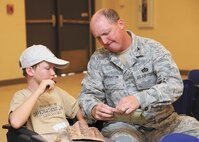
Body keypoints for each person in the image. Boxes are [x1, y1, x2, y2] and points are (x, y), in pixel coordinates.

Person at [78, 8, 199, 142]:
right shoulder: (98, 59)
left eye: (106, 33)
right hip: (123, 127)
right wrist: (94, 108)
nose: (104, 41)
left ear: (121, 24)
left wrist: (140, 99)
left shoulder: (152, 49)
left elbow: (174, 84)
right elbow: (87, 95)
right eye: (99, 37)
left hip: (165, 123)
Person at [9, 45, 86, 141]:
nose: (53, 72)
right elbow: (15, 122)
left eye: (53, 68)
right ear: (30, 71)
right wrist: (38, 92)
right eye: (47, 68)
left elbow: (75, 108)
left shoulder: (56, 91)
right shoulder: (21, 95)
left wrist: (84, 127)